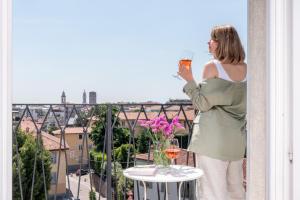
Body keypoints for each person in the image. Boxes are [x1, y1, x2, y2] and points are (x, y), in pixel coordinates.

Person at [178, 25, 247, 200]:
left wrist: (189, 80)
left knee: (211, 194)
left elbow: (201, 103)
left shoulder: (212, 67)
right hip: (236, 142)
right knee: (236, 192)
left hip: (211, 142)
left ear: (221, 43)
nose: (208, 42)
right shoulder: (247, 70)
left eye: (212, 39)